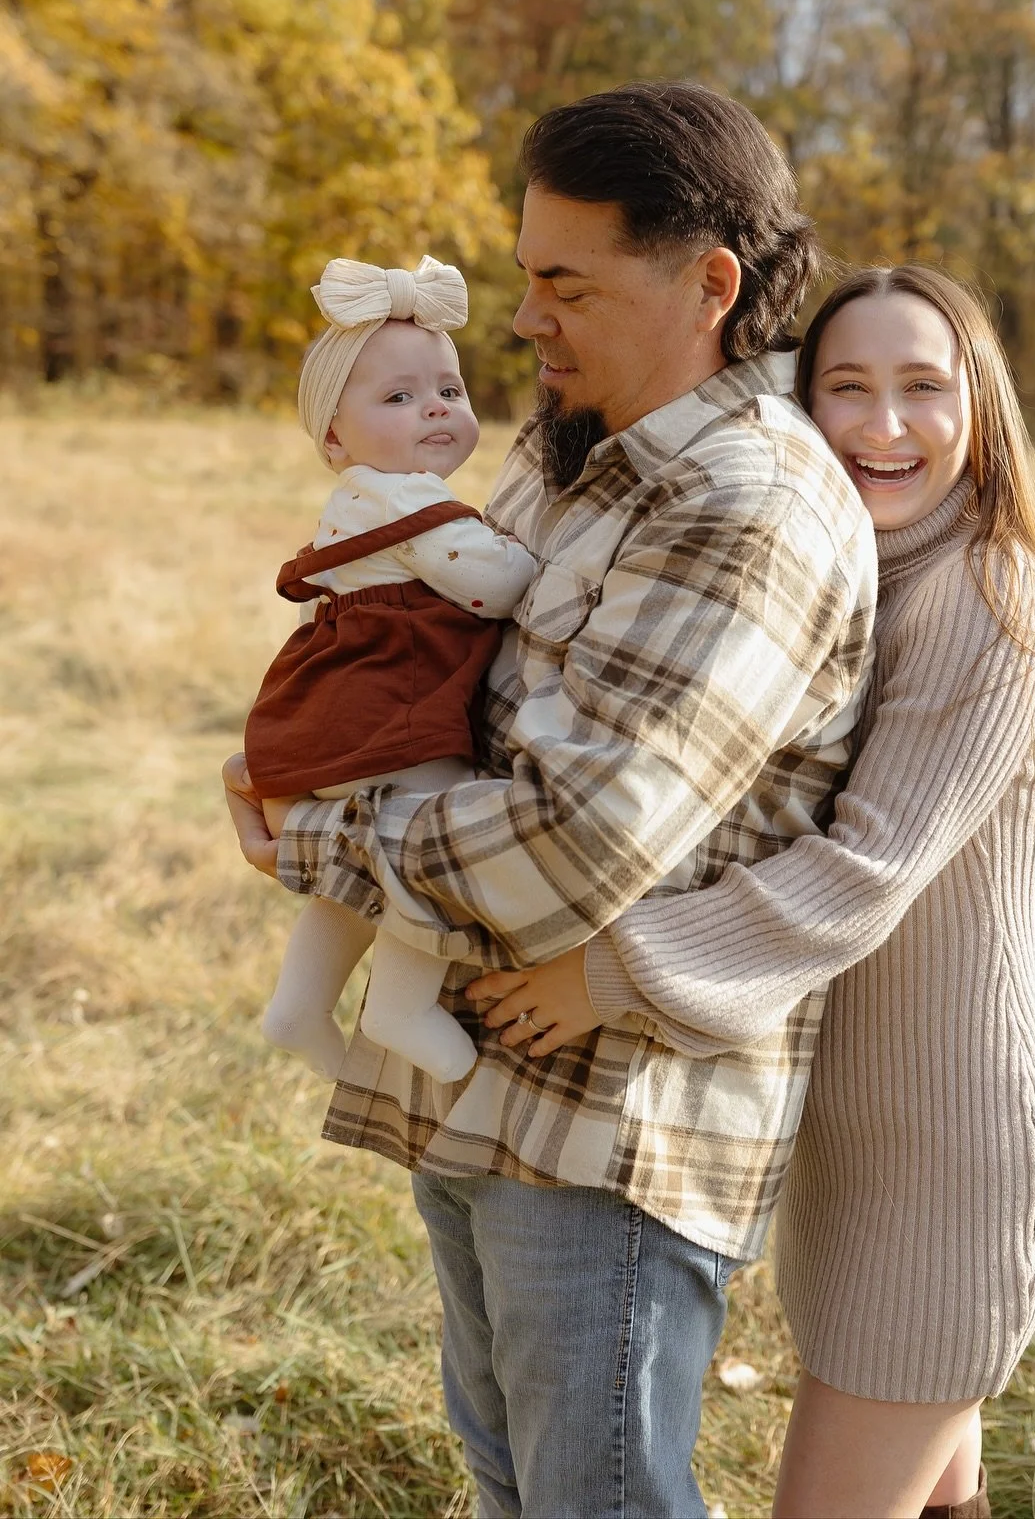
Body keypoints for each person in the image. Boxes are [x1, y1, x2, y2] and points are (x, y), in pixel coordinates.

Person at [222, 83, 877, 1519]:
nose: (525, 319)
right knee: (511, 1485)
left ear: (711, 286)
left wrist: (308, 832)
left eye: (567, 285)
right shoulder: (565, 450)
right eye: (526, 276)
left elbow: (572, 847)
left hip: (609, 1132)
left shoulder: (745, 504)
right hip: (482, 1087)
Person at [472, 264, 1035, 1519]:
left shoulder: (987, 595)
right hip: (856, 1151)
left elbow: (869, 864)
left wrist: (612, 972)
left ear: (982, 404)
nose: (883, 424)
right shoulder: (852, 566)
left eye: (924, 387)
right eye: (845, 387)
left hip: (950, 1162)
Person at [245, 254, 537, 1084]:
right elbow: (496, 585)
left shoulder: (364, 499)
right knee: (434, 844)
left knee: (359, 875)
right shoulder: (404, 498)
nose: (435, 407)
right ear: (334, 438)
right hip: (394, 722)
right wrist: (529, 552)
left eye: (449, 388)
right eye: (399, 398)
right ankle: (401, 1003)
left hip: (339, 722)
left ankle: (299, 1008)